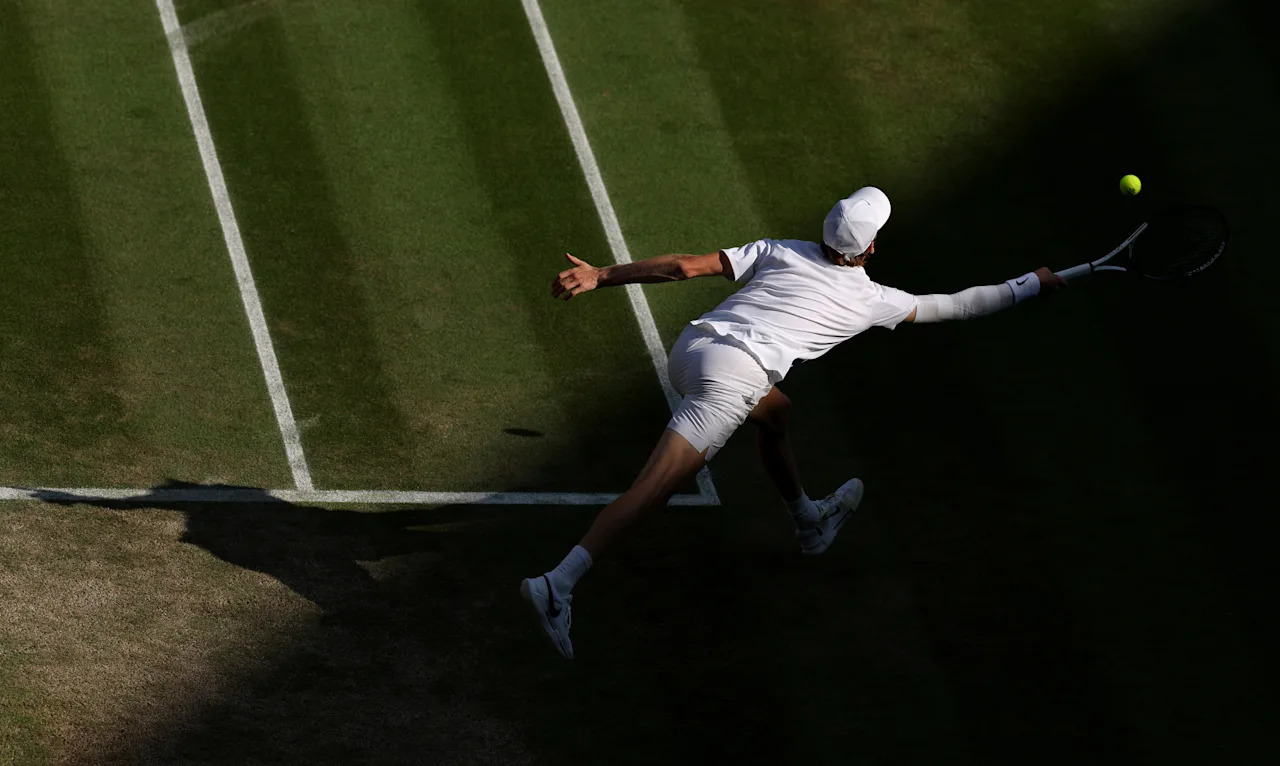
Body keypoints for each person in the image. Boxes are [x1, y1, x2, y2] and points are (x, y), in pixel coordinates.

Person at [520, 187, 1066, 659]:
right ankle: (557, 585)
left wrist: (601, 274)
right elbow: (961, 305)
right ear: (871, 248)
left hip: (692, 348)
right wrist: (1032, 283)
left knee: (777, 413)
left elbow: (684, 267)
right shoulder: (873, 300)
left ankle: (809, 521)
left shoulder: (781, 249)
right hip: (729, 381)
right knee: (653, 489)